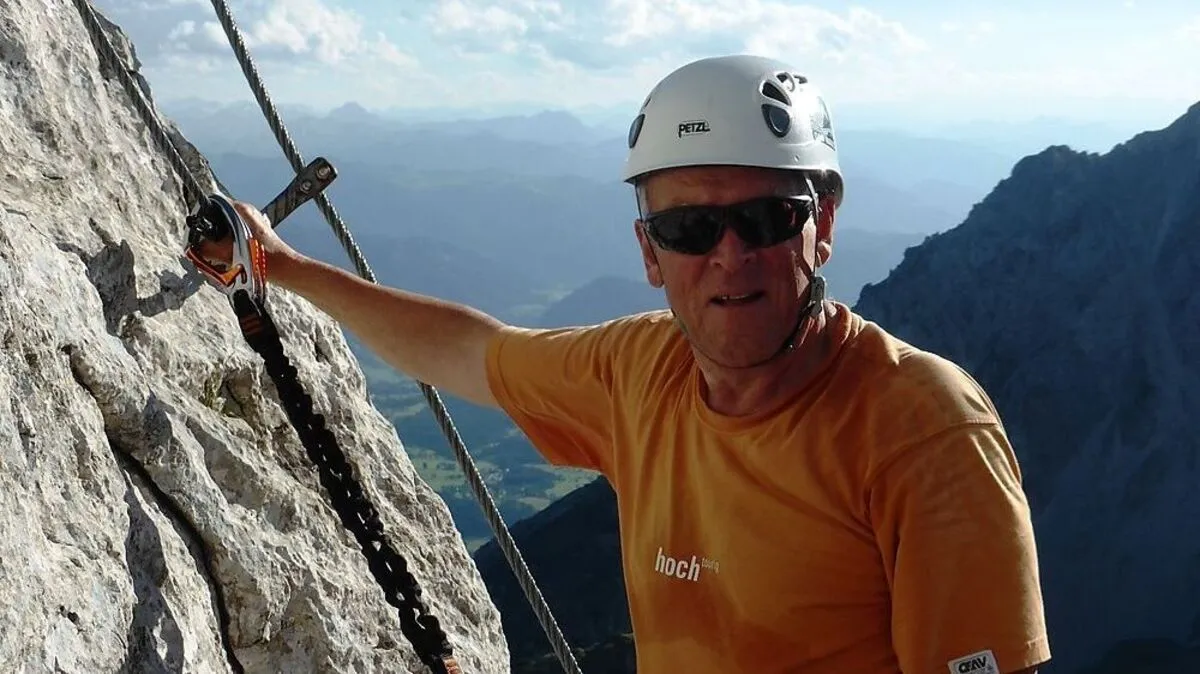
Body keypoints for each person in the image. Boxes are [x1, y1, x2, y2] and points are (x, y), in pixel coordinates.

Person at [198, 54, 1051, 674]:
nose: (728, 257)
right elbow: (469, 351)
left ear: (821, 223)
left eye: (765, 220)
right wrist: (281, 267)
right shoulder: (640, 372)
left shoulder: (923, 428)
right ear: (649, 251)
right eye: (688, 230)